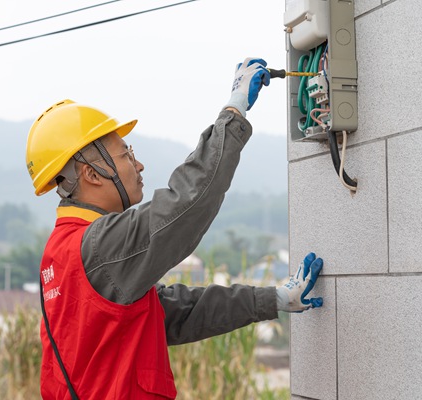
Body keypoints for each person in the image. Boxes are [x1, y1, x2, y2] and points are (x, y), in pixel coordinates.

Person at [25, 58, 324, 399]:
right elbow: (186, 204)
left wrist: (274, 299)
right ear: (92, 174)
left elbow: (171, 313)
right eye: (126, 154)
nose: (138, 165)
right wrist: (234, 112)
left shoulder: (62, 250)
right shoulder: (99, 245)